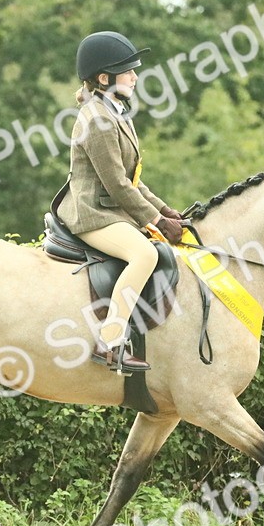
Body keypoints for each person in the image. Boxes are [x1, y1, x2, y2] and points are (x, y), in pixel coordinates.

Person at [53, 31, 184, 374]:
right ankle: (110, 341)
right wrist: (154, 220)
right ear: (104, 78)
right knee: (145, 254)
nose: (135, 77)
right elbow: (115, 183)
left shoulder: (115, 111)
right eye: (129, 72)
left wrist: (165, 210)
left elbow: (133, 179)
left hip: (112, 207)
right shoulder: (96, 119)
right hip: (92, 212)